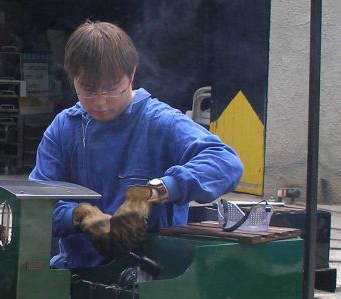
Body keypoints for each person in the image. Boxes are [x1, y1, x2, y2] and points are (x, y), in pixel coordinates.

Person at [29, 20, 243, 269]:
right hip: (76, 273)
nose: (100, 102)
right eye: (88, 90)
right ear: (73, 79)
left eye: (111, 89)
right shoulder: (64, 129)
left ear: (131, 74)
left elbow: (225, 162)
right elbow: (35, 205)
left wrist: (156, 191)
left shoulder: (159, 122)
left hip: (153, 276)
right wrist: (78, 216)